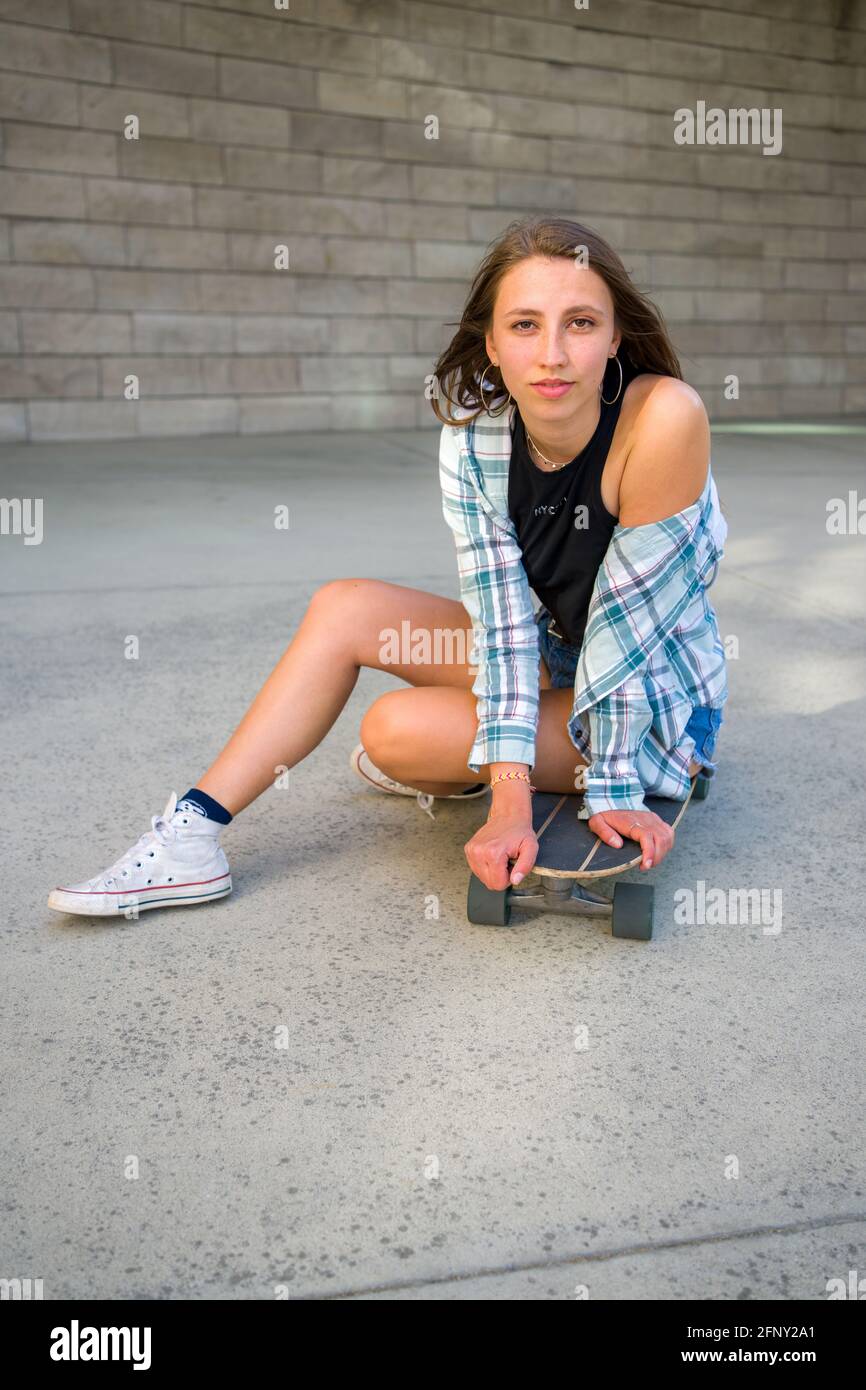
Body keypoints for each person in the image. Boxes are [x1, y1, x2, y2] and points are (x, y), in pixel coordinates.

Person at [47, 215, 726, 917]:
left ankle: (468, 754)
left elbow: (625, 633)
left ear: (616, 336)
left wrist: (612, 788)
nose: (552, 354)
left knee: (393, 731)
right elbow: (503, 623)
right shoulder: (475, 439)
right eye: (525, 325)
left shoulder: (664, 419)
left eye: (580, 323)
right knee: (346, 606)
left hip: (650, 702)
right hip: (554, 656)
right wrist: (511, 797)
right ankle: (193, 836)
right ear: (491, 343)